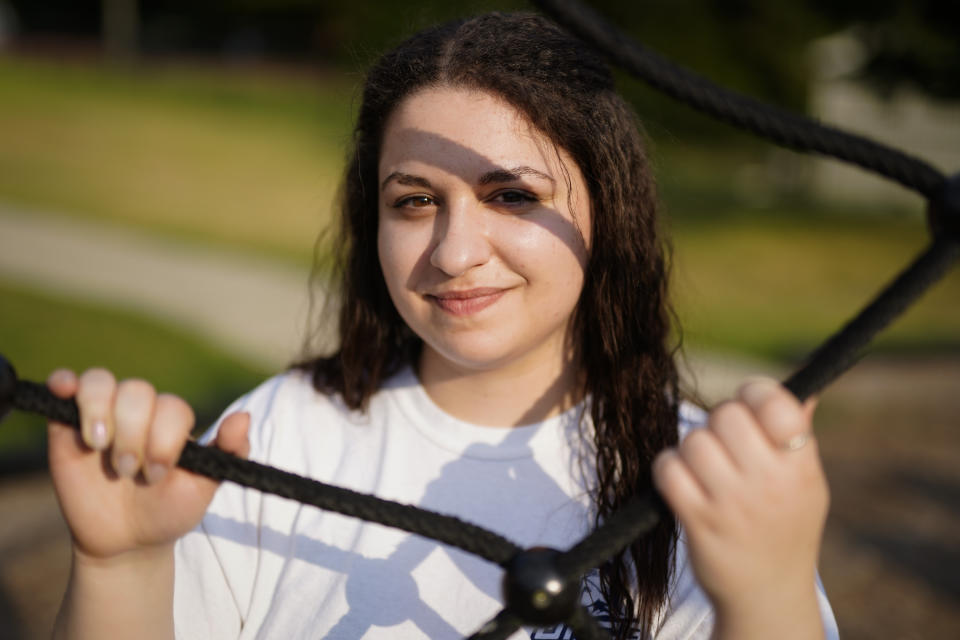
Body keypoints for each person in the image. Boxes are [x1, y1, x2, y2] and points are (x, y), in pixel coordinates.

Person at [45, 12, 837, 640]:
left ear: (610, 210)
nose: (455, 254)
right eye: (414, 201)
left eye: (512, 196)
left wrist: (769, 595)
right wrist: (122, 568)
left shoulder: (704, 479)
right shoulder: (277, 436)